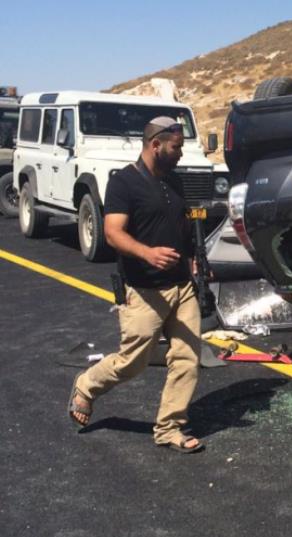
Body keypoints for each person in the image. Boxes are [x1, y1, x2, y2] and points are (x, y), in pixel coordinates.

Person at [67, 116, 204, 453]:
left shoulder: (174, 182)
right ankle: (87, 385)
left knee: (187, 357)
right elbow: (113, 232)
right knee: (134, 361)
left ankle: (169, 428)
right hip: (144, 289)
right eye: (175, 147)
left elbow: (183, 226)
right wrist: (147, 253)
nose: (180, 154)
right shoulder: (123, 183)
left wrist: (192, 259)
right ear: (155, 145)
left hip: (181, 286)